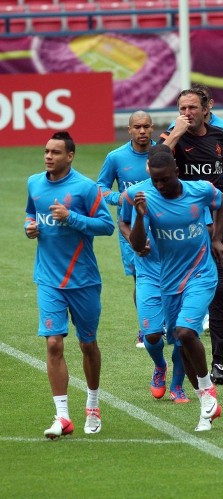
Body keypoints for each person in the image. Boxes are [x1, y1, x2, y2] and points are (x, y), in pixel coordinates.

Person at [126, 145, 223, 432]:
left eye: (164, 179)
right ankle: (206, 407)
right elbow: (136, 245)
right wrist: (141, 215)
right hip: (168, 281)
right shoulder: (145, 199)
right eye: (155, 180)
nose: (159, 185)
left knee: (185, 332)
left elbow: (221, 203)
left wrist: (217, 238)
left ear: (176, 172)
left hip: (201, 275)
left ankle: (207, 390)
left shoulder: (200, 191)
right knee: (179, 345)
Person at [25, 131, 115, 439]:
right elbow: (30, 213)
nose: (48, 156)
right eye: (46, 151)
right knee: (53, 342)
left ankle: (92, 402)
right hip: (48, 278)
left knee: (87, 344)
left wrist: (72, 218)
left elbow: (106, 226)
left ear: (70, 156)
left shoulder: (86, 188)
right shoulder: (34, 184)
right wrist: (30, 227)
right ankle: (62, 416)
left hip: (83, 280)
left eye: (55, 152)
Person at [160, 87, 223, 385]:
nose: (187, 112)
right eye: (183, 107)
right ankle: (182, 360)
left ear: (206, 108)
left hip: (222, 223)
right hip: (186, 228)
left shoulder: (220, 135)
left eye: (193, 107)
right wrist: (176, 134)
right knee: (180, 293)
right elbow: (155, 163)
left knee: (220, 290)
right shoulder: (172, 136)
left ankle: (218, 361)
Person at [120, 163, 191, 404]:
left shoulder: (191, 194)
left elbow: (203, 225)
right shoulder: (136, 194)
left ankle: (177, 385)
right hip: (149, 273)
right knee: (151, 336)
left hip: (181, 273)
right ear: (148, 169)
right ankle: (160, 366)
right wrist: (136, 243)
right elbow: (124, 224)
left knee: (182, 333)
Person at [97, 110, 155, 349]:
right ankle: (146, 328)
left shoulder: (163, 152)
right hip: (130, 226)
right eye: (137, 127)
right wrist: (119, 198)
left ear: (152, 128)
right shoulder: (116, 157)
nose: (142, 131)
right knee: (140, 279)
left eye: (146, 127)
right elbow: (100, 187)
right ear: (129, 129)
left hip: (162, 223)